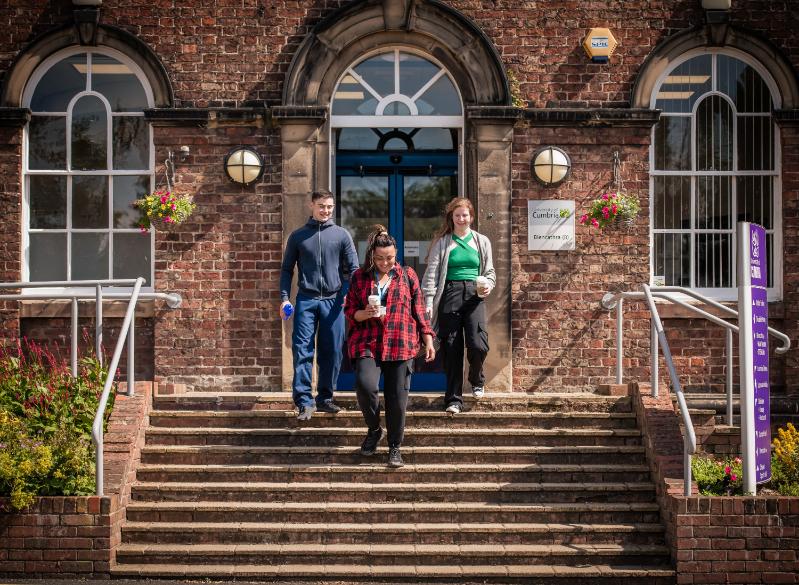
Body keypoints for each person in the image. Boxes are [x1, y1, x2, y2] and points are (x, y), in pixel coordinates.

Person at [344, 226, 435, 468]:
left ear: (396, 254)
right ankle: (374, 429)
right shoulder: (359, 277)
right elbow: (350, 311)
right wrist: (366, 312)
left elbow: (419, 310)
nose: (385, 262)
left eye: (390, 258)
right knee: (365, 385)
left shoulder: (407, 275)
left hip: (401, 341)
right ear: (371, 256)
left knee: (397, 398)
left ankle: (395, 446)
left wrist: (427, 338)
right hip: (368, 341)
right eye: (380, 258)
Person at [280, 189, 360, 421]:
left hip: (334, 301)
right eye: (321, 206)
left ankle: (325, 398)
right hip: (306, 299)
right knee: (302, 349)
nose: (325, 210)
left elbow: (353, 271)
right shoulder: (297, 236)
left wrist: (350, 294)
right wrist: (285, 297)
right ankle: (304, 401)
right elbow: (286, 270)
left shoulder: (342, 235)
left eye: (329, 207)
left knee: (333, 351)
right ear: (311, 206)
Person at [422, 197, 495, 414]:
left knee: (478, 344)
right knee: (452, 349)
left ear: (471, 217)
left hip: (475, 295)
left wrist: (488, 285)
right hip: (450, 294)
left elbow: (489, 272)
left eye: (465, 215)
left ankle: (476, 378)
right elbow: (431, 275)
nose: (461, 219)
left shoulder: (482, 241)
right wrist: (428, 301)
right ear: (451, 218)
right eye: (457, 215)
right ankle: (453, 399)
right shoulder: (443, 242)